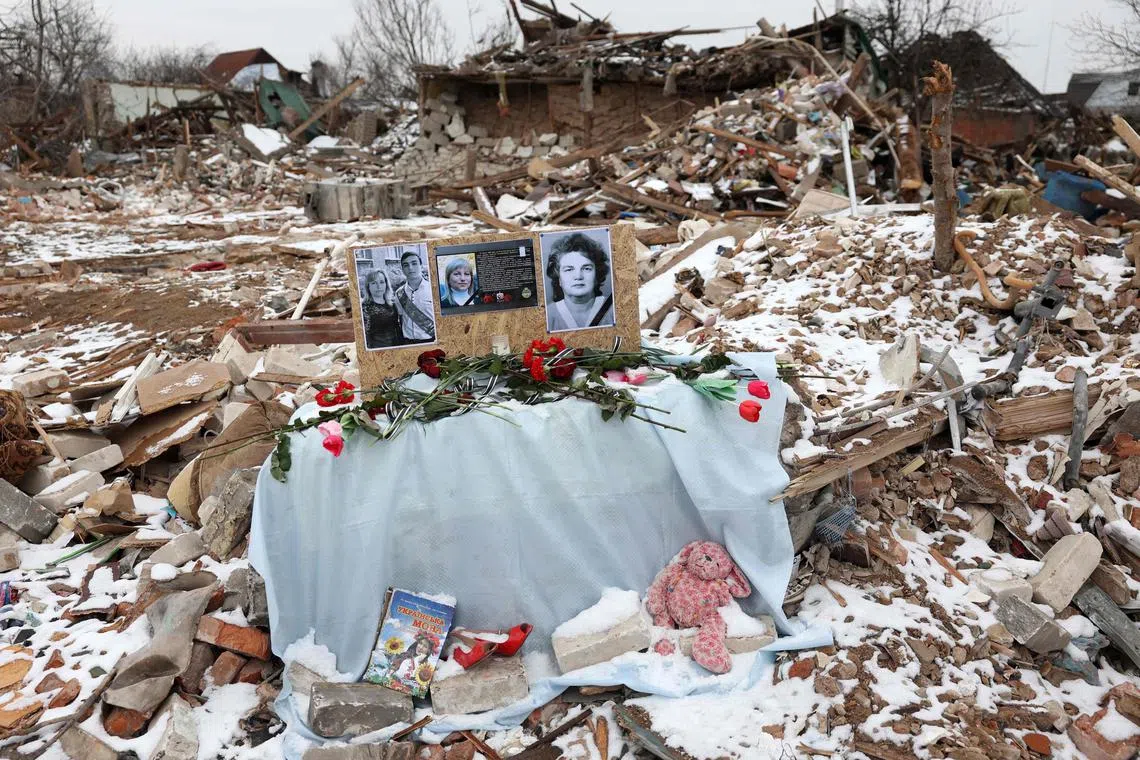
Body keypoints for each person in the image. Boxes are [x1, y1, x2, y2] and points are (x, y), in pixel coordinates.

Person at [545, 232, 615, 331]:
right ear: (559, 278)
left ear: (597, 275)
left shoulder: (614, 309)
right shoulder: (546, 315)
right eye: (569, 269)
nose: (578, 276)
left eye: (586, 268)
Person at [393, 249, 436, 343]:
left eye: (414, 263)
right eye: (406, 265)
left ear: (421, 266)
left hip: (431, 341)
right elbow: (401, 318)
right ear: (402, 269)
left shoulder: (433, 290)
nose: (410, 268)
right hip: (408, 342)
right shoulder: (399, 293)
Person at [359, 268, 402, 348]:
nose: (379, 286)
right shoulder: (364, 307)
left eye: (382, 282)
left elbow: (397, 327)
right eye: (374, 283)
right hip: (377, 349)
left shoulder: (392, 304)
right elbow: (364, 336)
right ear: (368, 286)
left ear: (386, 284)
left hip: (397, 346)